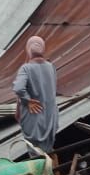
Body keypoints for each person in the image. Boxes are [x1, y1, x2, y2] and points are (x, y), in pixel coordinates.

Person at [12, 35, 59, 166]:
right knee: (48, 149)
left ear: (28, 49)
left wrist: (27, 101)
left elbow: (19, 88)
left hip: (34, 117)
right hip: (50, 116)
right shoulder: (51, 67)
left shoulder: (26, 68)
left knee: (36, 152)